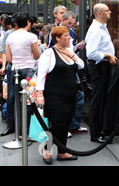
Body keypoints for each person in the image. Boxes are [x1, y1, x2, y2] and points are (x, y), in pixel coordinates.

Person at [36, 26, 85, 164]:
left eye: (69, 35)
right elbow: (41, 75)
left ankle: (62, 152)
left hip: (70, 95)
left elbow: (81, 65)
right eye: (66, 36)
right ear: (57, 38)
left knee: (65, 123)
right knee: (56, 125)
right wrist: (40, 94)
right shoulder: (49, 53)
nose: (70, 38)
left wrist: (71, 54)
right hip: (54, 96)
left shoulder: (69, 52)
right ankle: (47, 150)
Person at [85, 3, 119, 143]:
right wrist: (107, 56)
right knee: (98, 100)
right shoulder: (95, 30)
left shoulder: (101, 28)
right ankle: (95, 133)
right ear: (100, 13)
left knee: (104, 98)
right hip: (99, 67)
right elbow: (91, 53)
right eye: (107, 11)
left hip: (104, 67)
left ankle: (105, 129)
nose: (110, 12)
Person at [4, 13, 41, 136]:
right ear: (28, 23)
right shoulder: (31, 36)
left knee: (14, 98)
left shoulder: (9, 37)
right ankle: (27, 130)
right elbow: (36, 55)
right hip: (29, 69)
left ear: (15, 23)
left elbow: (9, 58)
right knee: (29, 100)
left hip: (14, 69)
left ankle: (16, 128)